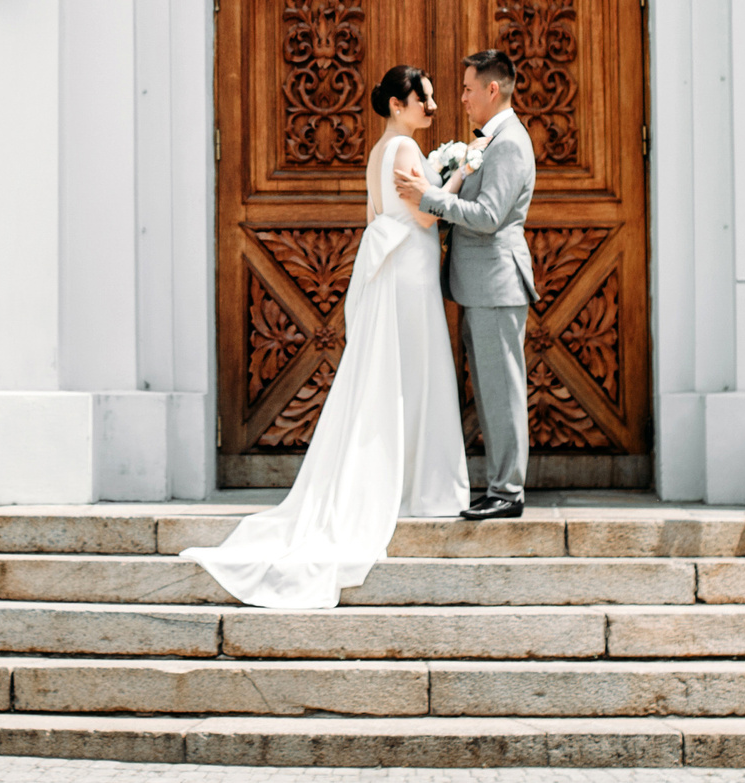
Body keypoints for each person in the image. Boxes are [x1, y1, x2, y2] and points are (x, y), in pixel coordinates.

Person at [181, 64, 469, 607]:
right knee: (416, 373)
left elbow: (376, 213)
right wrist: (461, 172)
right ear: (398, 105)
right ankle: (421, 486)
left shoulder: (379, 151)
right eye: (423, 99)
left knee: (397, 373)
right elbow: (426, 218)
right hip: (409, 271)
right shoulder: (405, 148)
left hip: (394, 267)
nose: (432, 107)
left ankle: (406, 477)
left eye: (432, 98)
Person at [395, 47, 536, 520]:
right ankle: (500, 486)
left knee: (502, 390)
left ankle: (508, 492)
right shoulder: (492, 140)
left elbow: (490, 216)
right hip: (481, 285)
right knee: (492, 390)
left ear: (492, 90)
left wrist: (429, 198)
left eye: (468, 89)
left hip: (496, 283)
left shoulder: (509, 142)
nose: (462, 98)